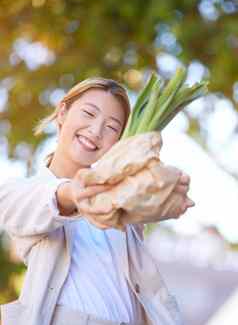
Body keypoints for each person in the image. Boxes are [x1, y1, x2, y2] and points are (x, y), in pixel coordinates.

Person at [0, 77, 194, 325]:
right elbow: (24, 205)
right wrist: (72, 193)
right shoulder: (25, 192)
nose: (96, 130)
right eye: (89, 113)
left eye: (112, 127)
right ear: (62, 112)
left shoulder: (118, 203)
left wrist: (169, 193)